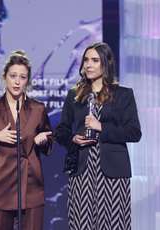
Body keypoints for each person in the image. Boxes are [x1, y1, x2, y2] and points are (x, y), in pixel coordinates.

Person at [55, 42, 142, 230]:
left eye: (95, 60)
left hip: (113, 175)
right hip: (82, 171)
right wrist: (72, 139)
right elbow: (61, 130)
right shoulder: (74, 96)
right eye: (86, 60)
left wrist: (101, 126)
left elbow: (134, 133)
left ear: (106, 63)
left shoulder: (123, 95)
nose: (88, 65)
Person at [0, 50, 53, 230]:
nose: (17, 81)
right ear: (5, 77)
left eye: (23, 77)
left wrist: (44, 140)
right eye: (13, 76)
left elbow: (49, 143)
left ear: (28, 80)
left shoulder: (38, 109)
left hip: (31, 186)